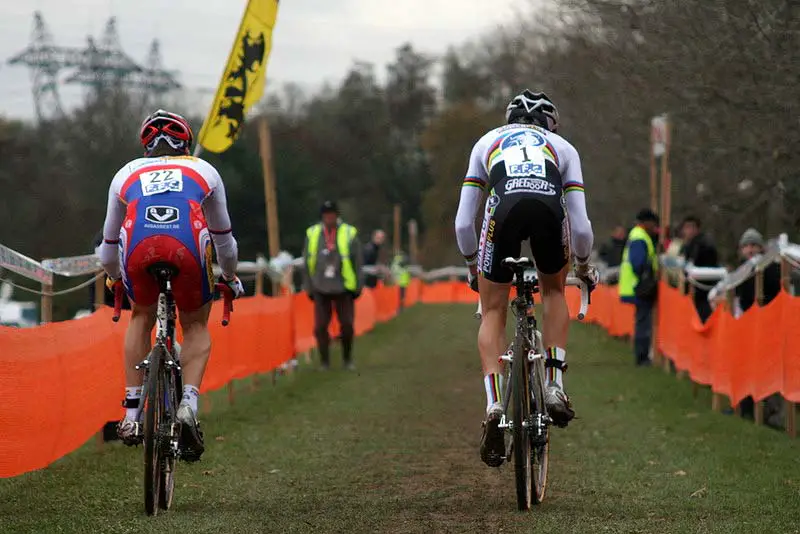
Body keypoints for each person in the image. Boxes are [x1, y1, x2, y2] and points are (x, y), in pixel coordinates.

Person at [454, 89, 597, 467]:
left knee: (493, 310)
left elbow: (463, 221)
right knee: (553, 293)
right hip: (550, 206)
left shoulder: (488, 141)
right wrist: (582, 267)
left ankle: (494, 404)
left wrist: (473, 266)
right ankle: (554, 386)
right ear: (550, 123)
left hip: (503, 206)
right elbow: (581, 227)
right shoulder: (563, 147)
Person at [97, 110, 244, 461]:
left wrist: (116, 279)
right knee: (194, 324)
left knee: (140, 317)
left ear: (145, 147)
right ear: (187, 144)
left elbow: (107, 248)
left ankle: (132, 413)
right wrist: (229, 277)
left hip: (138, 248)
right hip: (187, 246)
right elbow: (225, 242)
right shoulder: (203, 169)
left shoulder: (126, 172)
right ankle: (188, 404)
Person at [303, 201, 363, 370]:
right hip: (320, 286)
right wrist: (308, 286)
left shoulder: (349, 233)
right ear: (322, 217)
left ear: (337, 215)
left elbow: (357, 261)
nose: (329, 217)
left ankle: (347, 358)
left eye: (332, 214)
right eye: (326, 214)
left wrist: (358, 286)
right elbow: (307, 261)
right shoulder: (313, 233)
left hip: (343, 286)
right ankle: (325, 362)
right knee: (320, 326)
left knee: (347, 324)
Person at [619, 209, 660, 367]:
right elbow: (638, 263)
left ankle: (642, 355)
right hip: (639, 287)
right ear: (647, 222)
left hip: (636, 286)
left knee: (642, 321)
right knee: (643, 323)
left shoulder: (637, 235)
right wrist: (647, 276)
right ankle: (642, 357)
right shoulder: (639, 236)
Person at [679, 216, 719, 323]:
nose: (689, 231)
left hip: (702, 290)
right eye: (687, 228)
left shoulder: (703, 244)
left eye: (692, 227)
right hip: (692, 290)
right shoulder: (686, 246)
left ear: (697, 229)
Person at [735, 228, 781, 313]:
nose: (749, 250)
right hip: (747, 316)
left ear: (760, 248)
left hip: (769, 314)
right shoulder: (740, 271)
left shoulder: (771, 268)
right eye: (745, 246)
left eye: (753, 245)